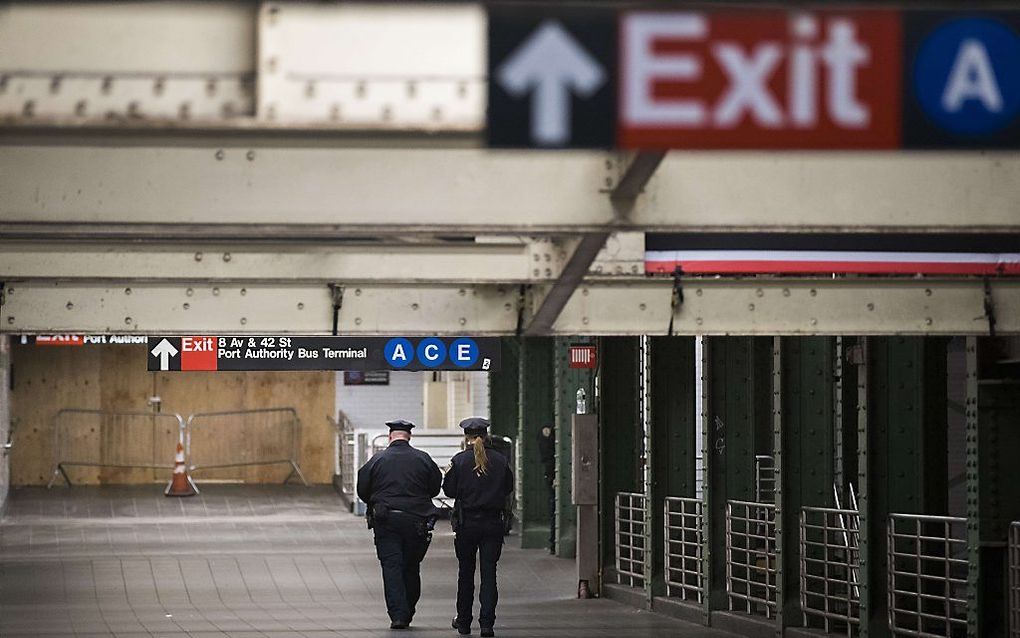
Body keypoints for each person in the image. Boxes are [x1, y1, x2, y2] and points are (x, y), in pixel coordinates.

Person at [357, 419, 442, 630]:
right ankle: (409, 609)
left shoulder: (377, 460)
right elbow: (434, 487)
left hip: (386, 520)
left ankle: (398, 615)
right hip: (417, 521)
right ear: (409, 436)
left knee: (391, 566)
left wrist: (375, 501)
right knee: (411, 566)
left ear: (390, 436)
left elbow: (362, 488)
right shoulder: (423, 459)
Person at [443, 417, 514, 637]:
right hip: (493, 523)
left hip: (467, 524)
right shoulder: (501, 461)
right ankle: (487, 624)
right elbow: (508, 488)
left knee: (465, 573)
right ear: (486, 435)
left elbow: (449, 491)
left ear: (467, 437)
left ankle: (463, 621)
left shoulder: (459, 461)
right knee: (489, 574)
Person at [537, 424, 556, 554]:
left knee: (553, 505)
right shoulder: (550, 430)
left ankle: (553, 542)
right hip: (552, 473)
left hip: (550, 473)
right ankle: (553, 542)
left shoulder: (545, 431)